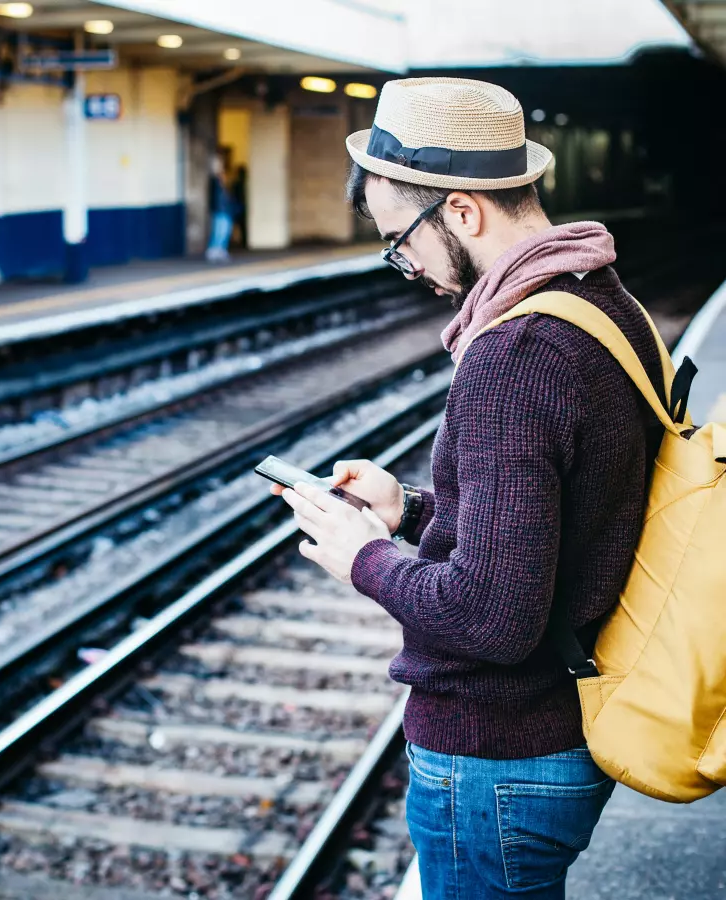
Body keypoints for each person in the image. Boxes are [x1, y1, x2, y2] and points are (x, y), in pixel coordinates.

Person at [272, 78, 665, 898]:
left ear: (461, 210)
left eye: (399, 239)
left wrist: (363, 556)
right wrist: (409, 510)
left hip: (498, 755)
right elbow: (570, 516)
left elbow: (490, 616)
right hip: (557, 730)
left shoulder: (513, 356)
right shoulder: (603, 302)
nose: (402, 264)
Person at [206, 152, 234, 263]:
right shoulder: (216, 184)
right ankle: (214, 250)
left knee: (224, 230)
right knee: (219, 231)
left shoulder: (223, 188)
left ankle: (220, 249)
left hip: (225, 211)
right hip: (220, 210)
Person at [232, 164, 249, 248]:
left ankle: (242, 241)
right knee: (242, 225)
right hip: (240, 206)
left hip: (238, 206)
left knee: (239, 225)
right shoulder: (243, 183)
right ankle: (243, 242)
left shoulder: (237, 183)